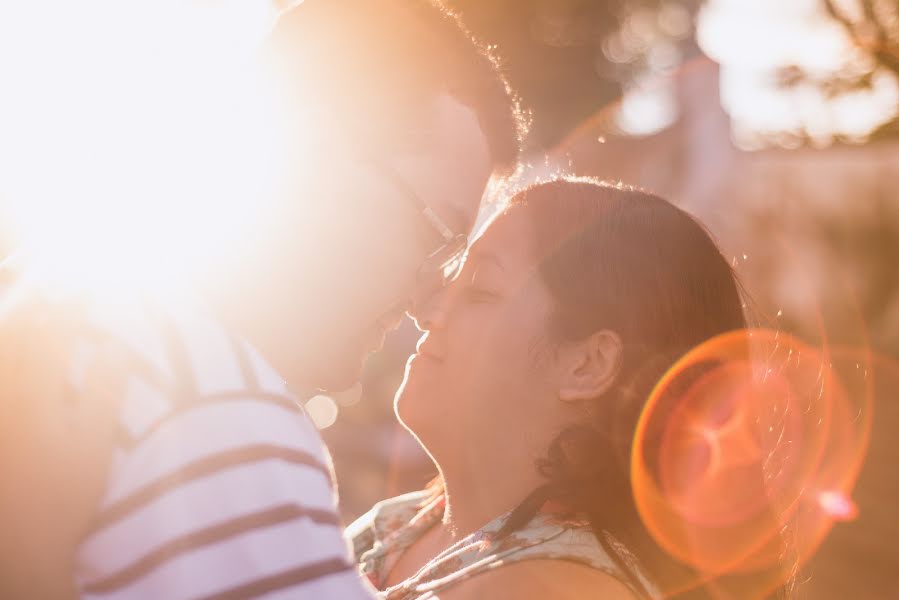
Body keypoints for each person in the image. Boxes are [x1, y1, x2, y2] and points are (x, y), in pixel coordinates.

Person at [0, 1, 523, 598]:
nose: (429, 301)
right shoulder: (211, 402)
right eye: (436, 235)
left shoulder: (64, 302)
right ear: (315, 146)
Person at [350, 178, 796, 599]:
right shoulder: (400, 526)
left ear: (587, 364)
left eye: (481, 291)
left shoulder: (554, 589)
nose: (426, 310)